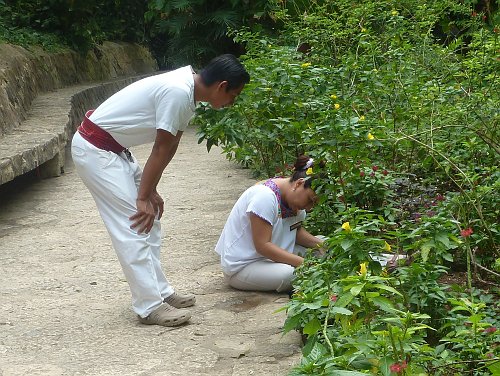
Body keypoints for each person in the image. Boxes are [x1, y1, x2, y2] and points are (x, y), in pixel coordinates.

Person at [71, 54, 250, 327]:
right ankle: (149, 306)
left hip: (114, 151)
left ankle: (161, 292)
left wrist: (150, 191)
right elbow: (161, 147)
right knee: (133, 224)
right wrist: (142, 196)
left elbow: (171, 143)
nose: (232, 102)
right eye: (233, 95)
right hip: (96, 150)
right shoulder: (178, 91)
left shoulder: (189, 91)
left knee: (149, 219)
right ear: (221, 86)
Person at [215, 155, 325, 293]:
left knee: (326, 245)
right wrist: (305, 264)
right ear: (299, 184)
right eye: (310, 200)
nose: (309, 208)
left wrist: (322, 245)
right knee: (289, 274)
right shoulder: (265, 196)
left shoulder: (293, 200)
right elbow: (263, 246)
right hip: (245, 266)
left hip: (271, 258)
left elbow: (295, 231)